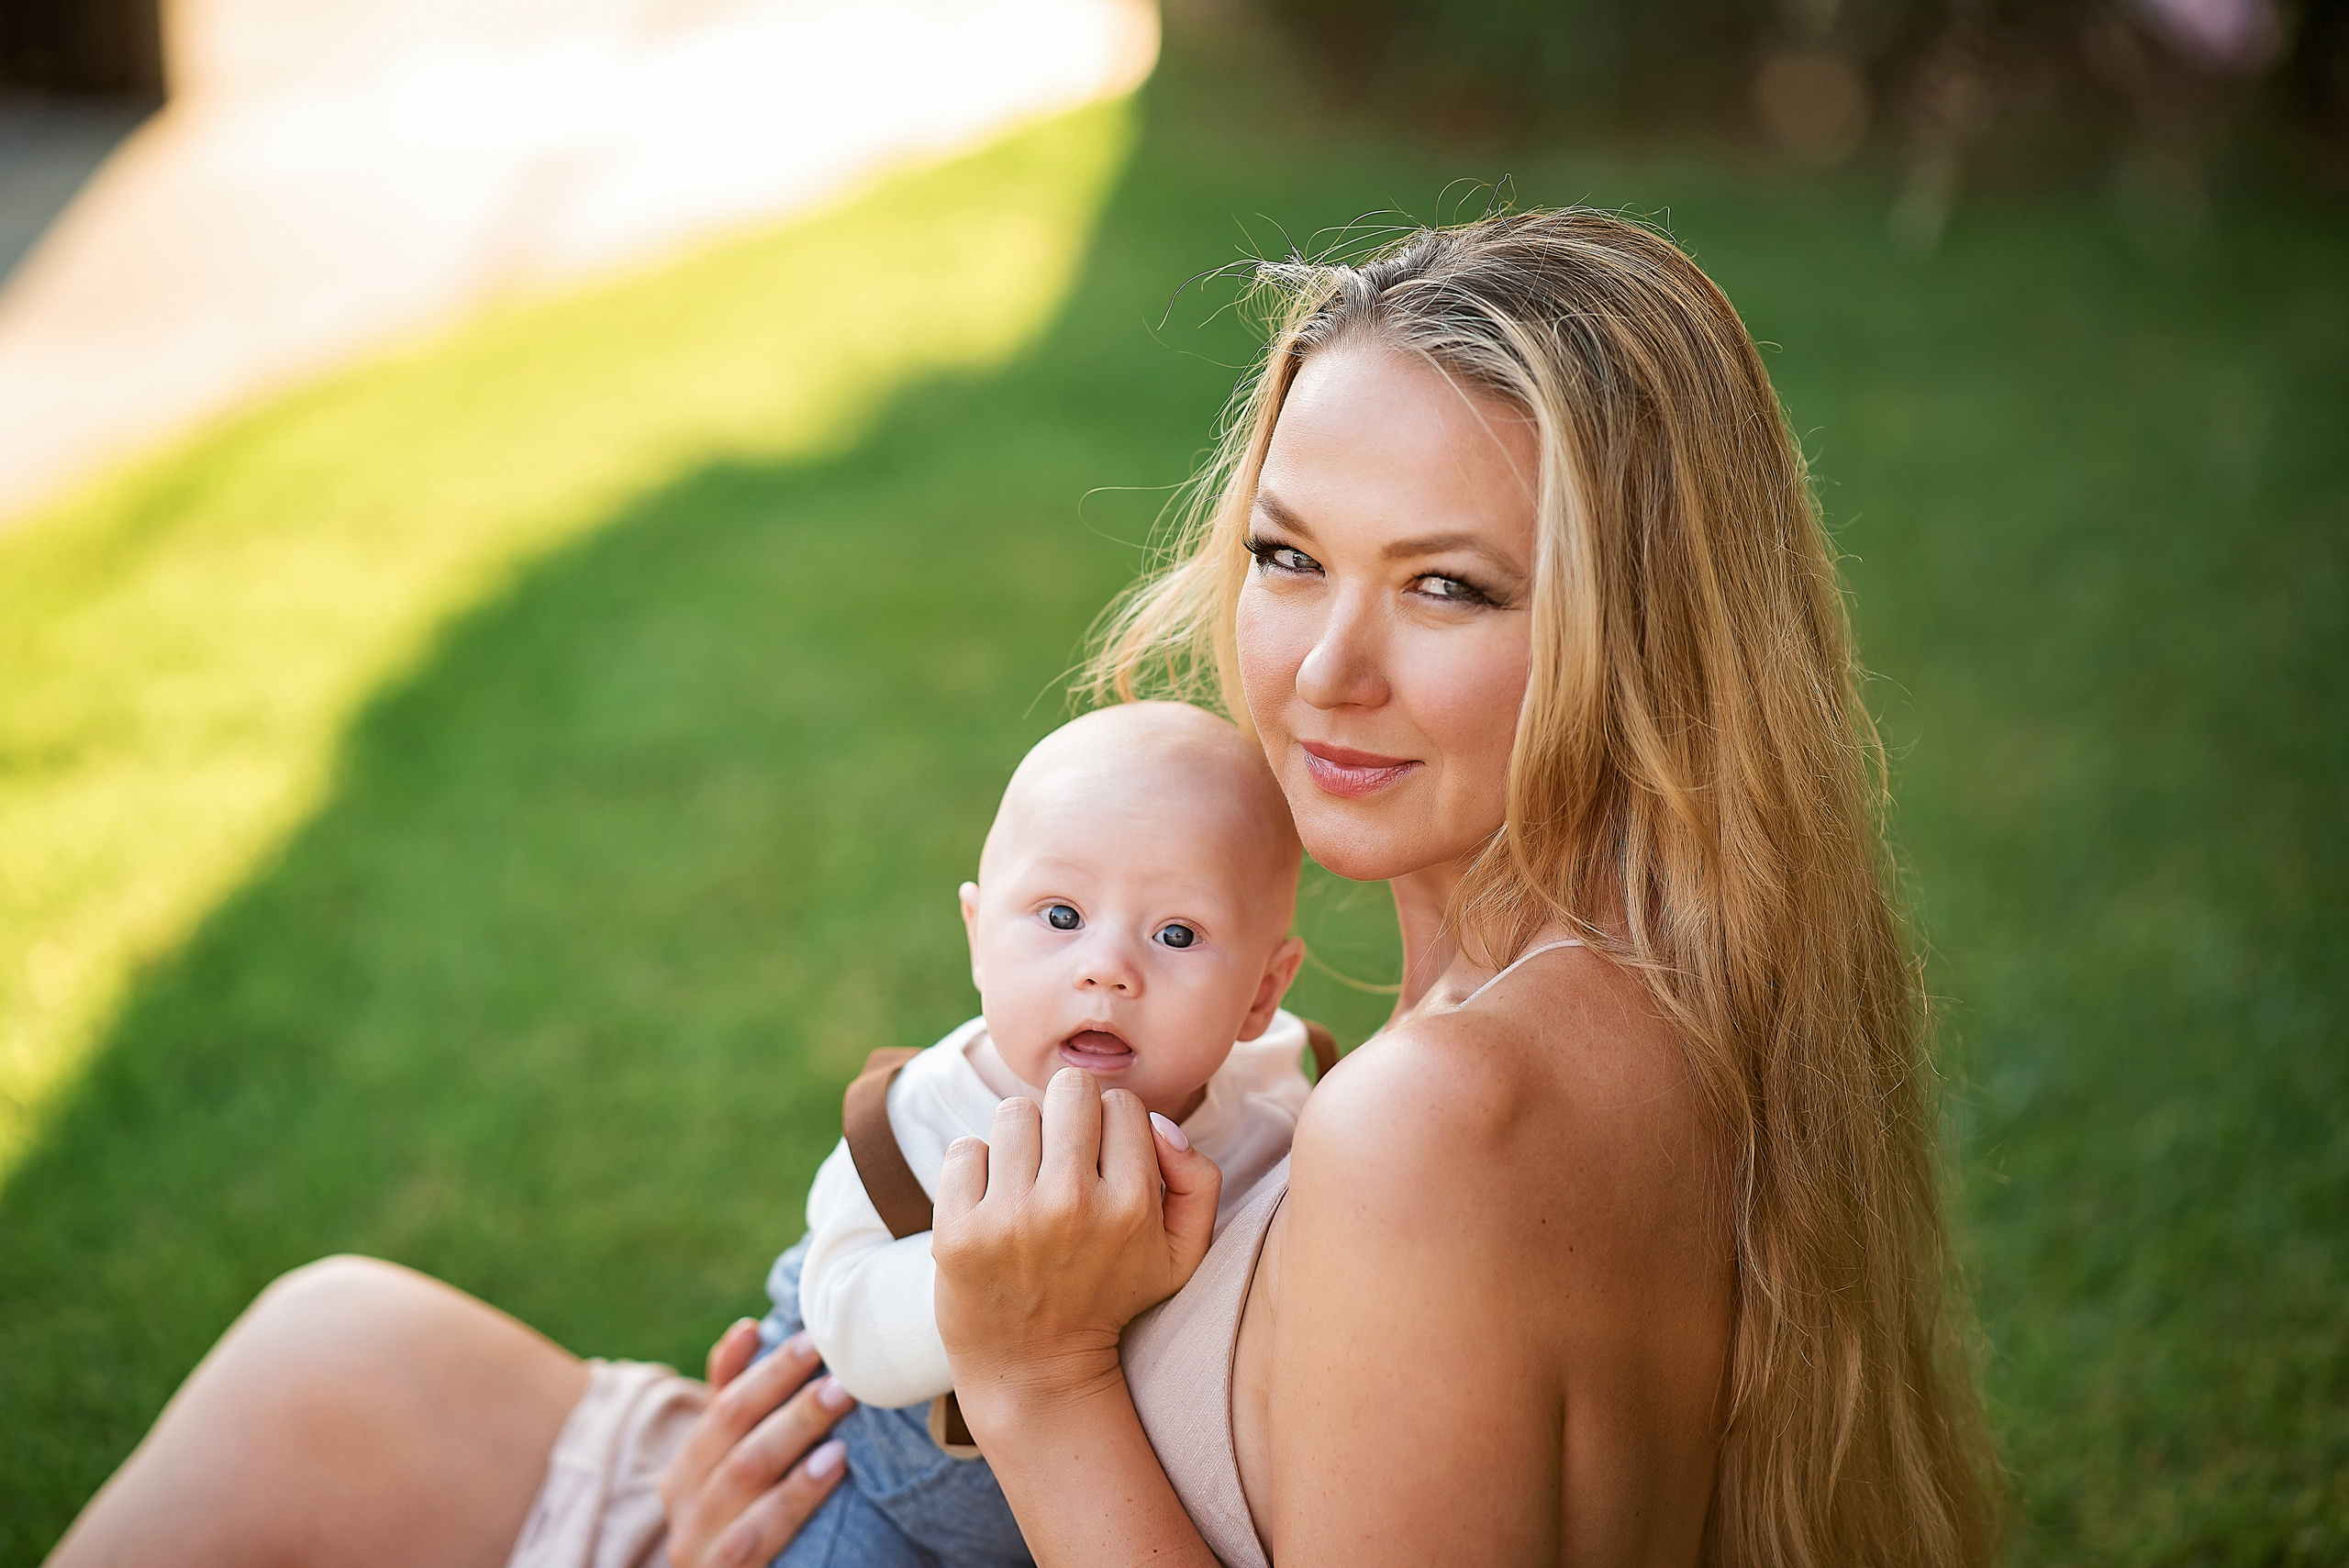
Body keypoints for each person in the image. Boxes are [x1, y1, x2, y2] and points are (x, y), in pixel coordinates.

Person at [45, 207, 1998, 1568]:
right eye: (1290, 554)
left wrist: (1035, 1361)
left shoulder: (1432, 1115)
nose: (1322, 666)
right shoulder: (1651, 1008)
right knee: (334, 1358)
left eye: (1447, 585)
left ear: (1635, 626)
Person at [759, 700, 1312, 1568]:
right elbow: (848, 1323)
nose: (1106, 967)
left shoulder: (1272, 1121)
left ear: (1260, 994)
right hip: (875, 1477)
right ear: (979, 938)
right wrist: (1003, 1272)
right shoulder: (920, 1116)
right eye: (1060, 917)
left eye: (1177, 933)